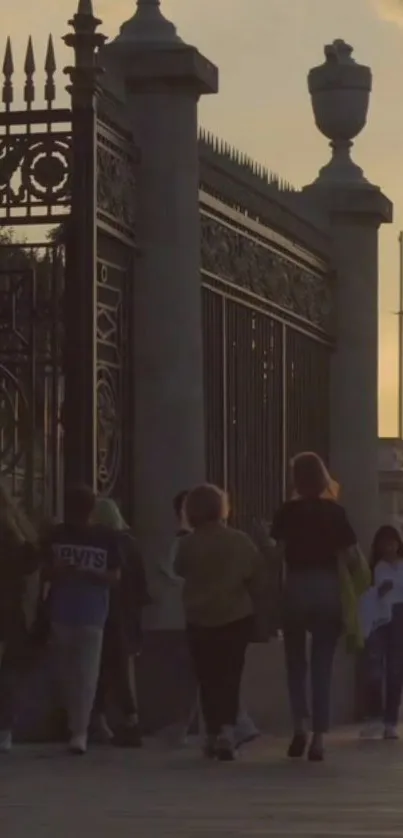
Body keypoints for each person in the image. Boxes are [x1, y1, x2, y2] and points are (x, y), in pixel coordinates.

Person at [270, 452, 362, 762]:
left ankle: (300, 727)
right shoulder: (335, 513)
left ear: (295, 478)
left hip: (296, 585)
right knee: (322, 664)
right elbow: (351, 557)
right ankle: (320, 739)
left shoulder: (286, 512)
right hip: (327, 587)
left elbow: (276, 555)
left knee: (295, 662)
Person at [175, 484, 266, 761]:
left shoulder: (188, 543)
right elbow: (256, 574)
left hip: (199, 618)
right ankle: (228, 730)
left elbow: (179, 568)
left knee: (206, 677)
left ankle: (212, 733)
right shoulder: (239, 540)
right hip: (235, 617)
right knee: (230, 675)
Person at [44, 485, 121, 755]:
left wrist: (90, 574)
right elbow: (45, 571)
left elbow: (114, 576)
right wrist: (60, 571)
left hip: (87, 612)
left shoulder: (105, 537)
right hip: (71, 611)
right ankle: (77, 727)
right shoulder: (56, 534)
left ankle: (79, 730)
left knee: (83, 673)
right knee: (72, 673)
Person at [90, 498, 150, 748]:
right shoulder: (131, 544)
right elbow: (140, 587)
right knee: (119, 669)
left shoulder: (100, 543)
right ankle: (126, 721)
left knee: (101, 669)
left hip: (103, 613)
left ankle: (110, 720)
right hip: (127, 615)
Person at [0, 484, 40, 753]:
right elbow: (32, 566)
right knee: (6, 676)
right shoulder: (18, 534)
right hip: (9, 612)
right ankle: (5, 731)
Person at [360, 525, 403, 740]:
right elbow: (366, 594)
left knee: (395, 670)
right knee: (374, 670)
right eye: (384, 542)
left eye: (392, 541)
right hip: (379, 618)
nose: (389, 546)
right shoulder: (375, 568)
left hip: (399, 615)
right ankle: (374, 718)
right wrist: (378, 592)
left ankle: (390, 721)